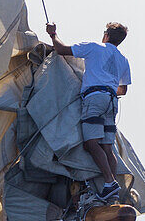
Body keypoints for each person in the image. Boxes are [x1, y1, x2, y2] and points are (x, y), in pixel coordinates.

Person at [45, 21, 131, 201]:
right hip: (112, 102)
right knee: (107, 147)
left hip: (95, 99)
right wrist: (107, 86)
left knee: (91, 143)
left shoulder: (94, 47)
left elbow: (61, 50)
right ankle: (111, 191)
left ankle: (109, 182)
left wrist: (53, 34)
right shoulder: (123, 60)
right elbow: (122, 90)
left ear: (106, 35)